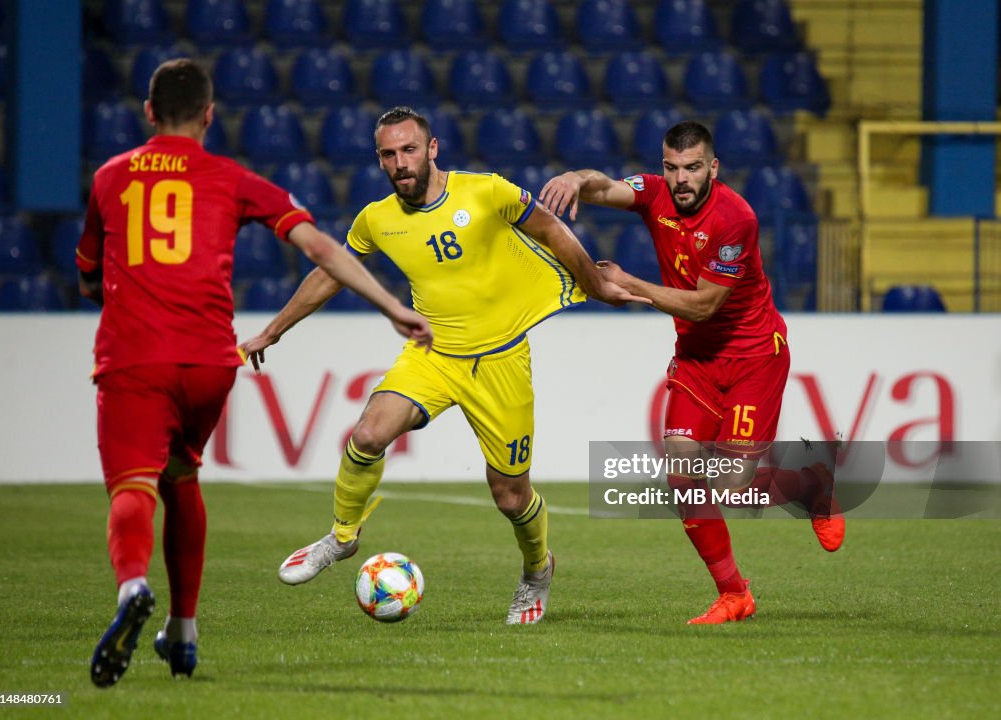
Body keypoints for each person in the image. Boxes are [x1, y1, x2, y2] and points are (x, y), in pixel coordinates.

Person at [79, 60, 431, 688]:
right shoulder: (232, 178)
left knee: (134, 486)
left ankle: (133, 587)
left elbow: (85, 274)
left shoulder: (110, 178)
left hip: (136, 357)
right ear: (210, 115)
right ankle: (183, 633)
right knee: (183, 476)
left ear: (148, 112)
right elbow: (321, 247)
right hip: (211, 362)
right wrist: (393, 307)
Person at [241, 106, 643, 625]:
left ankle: (538, 568)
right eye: (389, 154)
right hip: (432, 354)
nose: (400, 162)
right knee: (367, 434)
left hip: (501, 360)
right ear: (380, 160)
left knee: (509, 494)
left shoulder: (486, 192)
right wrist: (273, 330)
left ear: (432, 150)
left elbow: (552, 230)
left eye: (409, 150)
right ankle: (342, 538)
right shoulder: (376, 219)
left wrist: (594, 283)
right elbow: (331, 273)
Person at [539, 120, 844, 625]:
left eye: (692, 168)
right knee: (683, 480)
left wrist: (631, 283)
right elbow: (606, 185)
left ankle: (809, 488)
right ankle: (734, 594)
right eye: (672, 167)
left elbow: (704, 305)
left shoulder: (735, 219)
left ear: (713, 168)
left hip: (752, 360)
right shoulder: (654, 193)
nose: (680, 179)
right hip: (697, 362)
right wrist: (576, 177)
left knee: (730, 486)